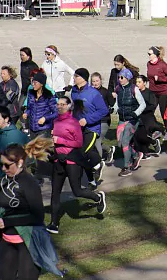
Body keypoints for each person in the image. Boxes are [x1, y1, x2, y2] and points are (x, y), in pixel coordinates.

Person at [0, 140, 63, 279]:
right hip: (7, 240)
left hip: (27, 243)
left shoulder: (29, 183)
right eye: (1, 165)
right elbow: (10, 203)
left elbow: (37, 216)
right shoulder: (7, 179)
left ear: (20, 162)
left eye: (7, 165)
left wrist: (7, 221)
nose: (3, 169)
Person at [46, 95, 106, 234]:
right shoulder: (55, 121)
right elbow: (54, 140)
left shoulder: (74, 123)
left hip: (72, 161)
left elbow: (78, 143)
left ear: (68, 106)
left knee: (77, 191)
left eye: (63, 104)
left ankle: (98, 197)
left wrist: (60, 140)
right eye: (58, 104)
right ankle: (54, 224)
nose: (59, 106)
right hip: (58, 161)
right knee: (55, 193)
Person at [69, 68, 108, 183]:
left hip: (91, 128)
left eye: (76, 76)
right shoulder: (74, 91)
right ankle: (91, 180)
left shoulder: (93, 93)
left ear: (83, 78)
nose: (74, 78)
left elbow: (103, 110)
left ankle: (98, 164)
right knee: (83, 154)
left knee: (84, 152)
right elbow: (75, 109)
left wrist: (87, 120)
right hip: (78, 128)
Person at [113, 68, 146, 177]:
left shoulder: (134, 89)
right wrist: (113, 109)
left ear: (127, 78)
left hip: (132, 120)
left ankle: (126, 167)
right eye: (118, 77)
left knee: (125, 142)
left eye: (121, 77)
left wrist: (136, 113)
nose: (119, 79)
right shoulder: (118, 88)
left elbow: (143, 104)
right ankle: (136, 155)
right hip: (121, 120)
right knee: (120, 143)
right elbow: (117, 103)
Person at [146, 46, 167, 116]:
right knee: (150, 111)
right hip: (153, 91)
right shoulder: (148, 64)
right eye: (148, 54)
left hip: (163, 92)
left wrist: (160, 79)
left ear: (155, 54)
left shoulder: (163, 65)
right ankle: (149, 126)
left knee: (164, 112)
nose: (148, 56)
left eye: (150, 54)